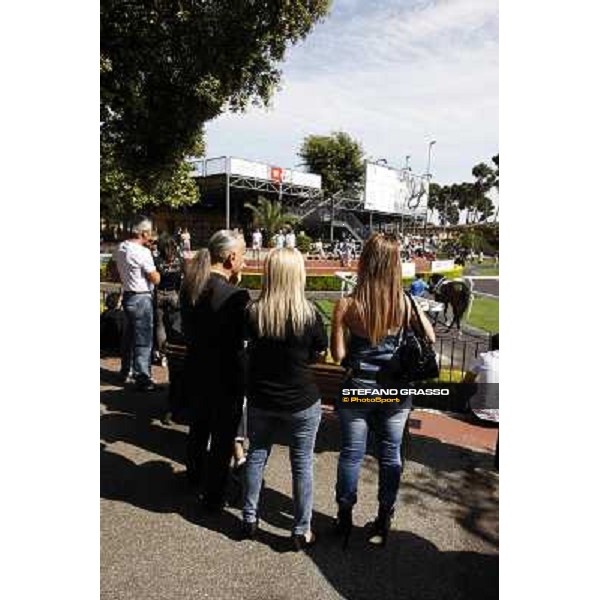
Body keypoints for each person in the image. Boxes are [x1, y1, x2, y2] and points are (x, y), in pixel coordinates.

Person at [330, 233, 435, 547]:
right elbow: (429, 336)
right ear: (393, 265)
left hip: (358, 389)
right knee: (390, 457)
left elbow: (337, 356)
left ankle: (344, 516)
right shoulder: (404, 303)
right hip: (394, 392)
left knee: (351, 455)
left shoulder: (347, 304)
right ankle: (383, 517)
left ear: (365, 261)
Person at [242, 248, 327, 549]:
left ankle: (248, 518)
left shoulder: (253, 312)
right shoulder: (310, 314)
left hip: (262, 398)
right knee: (302, 463)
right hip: (301, 400)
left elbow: (248, 349)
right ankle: (300, 530)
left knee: (256, 455)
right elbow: (320, 351)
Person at [181, 230, 249, 511]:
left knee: (198, 427)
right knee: (222, 438)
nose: (244, 262)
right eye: (243, 256)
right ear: (231, 257)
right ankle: (213, 495)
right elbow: (244, 338)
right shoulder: (236, 295)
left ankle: (194, 475)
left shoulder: (191, 285)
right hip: (225, 375)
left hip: (196, 369)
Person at [115, 216, 160, 391]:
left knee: (128, 336)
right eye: (150, 232)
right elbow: (155, 278)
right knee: (143, 340)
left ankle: (125, 371)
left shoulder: (121, 247)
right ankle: (143, 377)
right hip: (141, 297)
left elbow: (113, 268)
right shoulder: (143, 252)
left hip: (128, 295)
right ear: (144, 232)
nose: (151, 235)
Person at [154, 235, 184, 367]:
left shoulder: (156, 261)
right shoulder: (180, 260)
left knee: (160, 325)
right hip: (174, 294)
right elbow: (181, 280)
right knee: (175, 325)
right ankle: (175, 350)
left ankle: (163, 355)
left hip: (160, 293)